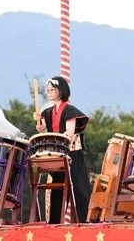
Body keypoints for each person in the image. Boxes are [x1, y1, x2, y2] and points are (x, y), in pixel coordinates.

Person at [33, 76, 91, 223]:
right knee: (57, 187)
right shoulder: (47, 112)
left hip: (72, 151)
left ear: (61, 90)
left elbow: (69, 133)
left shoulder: (70, 110)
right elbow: (41, 129)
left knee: (78, 185)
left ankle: (84, 219)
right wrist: (38, 120)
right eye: (48, 90)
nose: (49, 92)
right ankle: (54, 221)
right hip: (58, 153)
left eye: (52, 89)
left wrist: (56, 140)